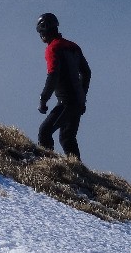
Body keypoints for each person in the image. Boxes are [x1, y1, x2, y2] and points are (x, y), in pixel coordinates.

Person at [35, 12, 91, 161]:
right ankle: (79, 174)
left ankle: (48, 166)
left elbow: (53, 75)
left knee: (44, 132)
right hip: (77, 102)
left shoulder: (53, 49)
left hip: (67, 102)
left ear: (44, 31)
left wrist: (43, 99)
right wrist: (82, 97)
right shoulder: (73, 46)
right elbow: (86, 72)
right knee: (67, 138)